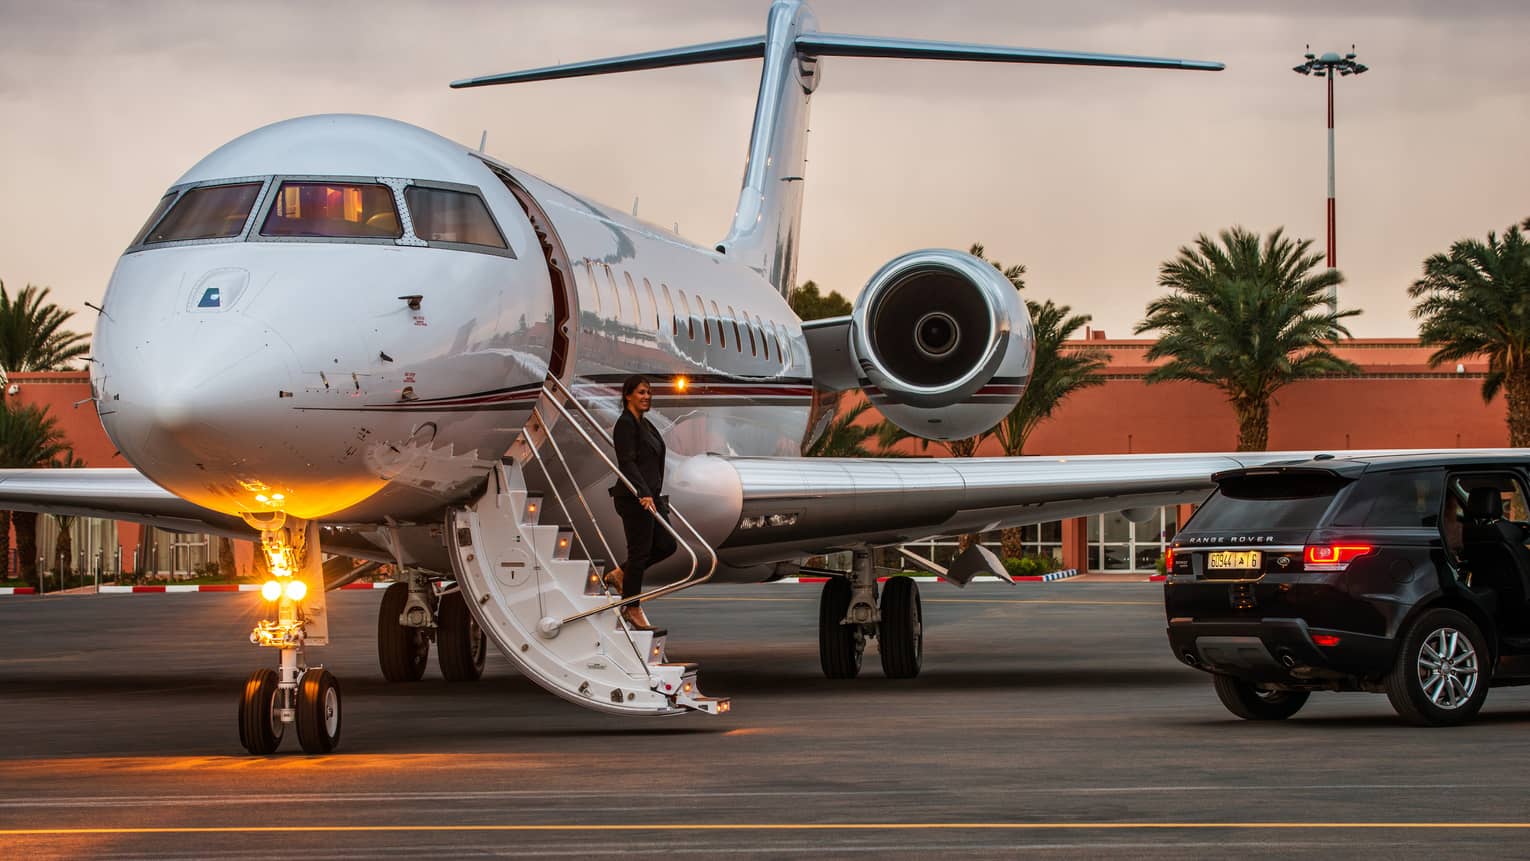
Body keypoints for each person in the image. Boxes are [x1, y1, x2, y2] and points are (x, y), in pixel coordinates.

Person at [606, 375, 676, 630]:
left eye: (648, 392)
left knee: (667, 545)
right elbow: (627, 462)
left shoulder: (646, 425)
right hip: (635, 499)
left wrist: (654, 493)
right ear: (628, 395)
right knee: (640, 553)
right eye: (641, 392)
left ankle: (620, 574)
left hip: (652, 497)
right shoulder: (625, 425)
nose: (647, 397)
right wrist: (642, 492)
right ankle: (631, 607)